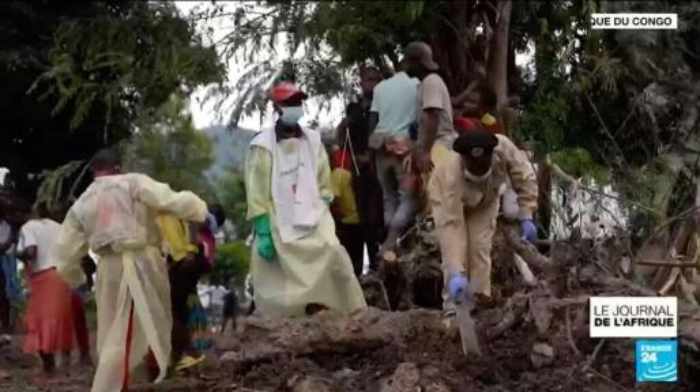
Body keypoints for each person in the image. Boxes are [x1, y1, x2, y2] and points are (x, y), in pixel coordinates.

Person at [53, 148, 208, 392]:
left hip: (108, 267)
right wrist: (198, 207)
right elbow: (172, 201)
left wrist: (75, 276)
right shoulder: (133, 182)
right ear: (117, 168)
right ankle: (147, 373)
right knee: (154, 317)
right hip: (142, 260)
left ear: (94, 172)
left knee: (114, 326)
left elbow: (65, 249)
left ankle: (119, 381)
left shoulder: (83, 201)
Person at [244, 81, 367, 318]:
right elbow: (256, 189)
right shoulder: (261, 146)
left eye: (298, 102)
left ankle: (342, 310)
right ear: (277, 107)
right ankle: (289, 317)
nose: (295, 107)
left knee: (332, 251)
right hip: (279, 219)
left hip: (313, 215)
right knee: (278, 274)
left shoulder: (313, 139)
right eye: (290, 103)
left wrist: (324, 202)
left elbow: (323, 180)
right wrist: (262, 229)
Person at [427, 129, 538, 317]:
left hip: (486, 200)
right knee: (456, 256)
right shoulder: (450, 176)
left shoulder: (503, 148)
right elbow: (451, 228)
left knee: (479, 248)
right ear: (464, 161)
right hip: (449, 201)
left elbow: (524, 177)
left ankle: (480, 304)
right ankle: (454, 308)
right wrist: (455, 271)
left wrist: (526, 213)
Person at [16, 202, 89, 379]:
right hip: (63, 275)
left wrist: (18, 254)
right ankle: (68, 361)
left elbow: (31, 252)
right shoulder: (59, 227)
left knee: (39, 321)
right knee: (62, 319)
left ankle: (49, 367)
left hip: (44, 277)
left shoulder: (28, 227)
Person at [157, 204, 223, 371]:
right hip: (185, 267)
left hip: (185, 266)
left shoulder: (192, 218)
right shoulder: (205, 234)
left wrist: (190, 253)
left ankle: (188, 352)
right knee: (181, 311)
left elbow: (201, 257)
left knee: (174, 312)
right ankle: (185, 353)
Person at [368, 61, 420, 260]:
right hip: (404, 149)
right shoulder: (416, 84)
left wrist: (374, 148)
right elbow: (420, 119)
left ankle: (391, 244)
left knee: (389, 198)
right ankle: (392, 241)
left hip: (382, 148)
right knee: (408, 199)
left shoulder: (380, 88)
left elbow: (373, 120)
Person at [335, 66, 384, 272]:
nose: (370, 84)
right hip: (356, 172)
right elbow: (341, 132)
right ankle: (354, 272)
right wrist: (352, 157)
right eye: (367, 80)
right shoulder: (353, 109)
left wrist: (372, 156)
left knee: (376, 221)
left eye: (374, 80)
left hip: (378, 172)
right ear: (361, 83)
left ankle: (376, 265)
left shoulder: (383, 106)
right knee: (356, 221)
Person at [403, 41, 458, 179]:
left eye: (407, 62)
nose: (405, 66)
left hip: (440, 147)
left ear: (416, 62)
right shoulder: (425, 84)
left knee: (439, 196)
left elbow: (432, 115)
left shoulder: (431, 81)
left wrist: (426, 152)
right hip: (434, 146)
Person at [329, 148, 364, 275]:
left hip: (345, 222)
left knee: (344, 264)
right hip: (359, 221)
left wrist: (336, 216)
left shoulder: (338, 173)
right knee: (356, 263)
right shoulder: (354, 173)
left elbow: (332, 199)